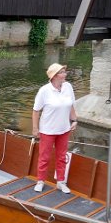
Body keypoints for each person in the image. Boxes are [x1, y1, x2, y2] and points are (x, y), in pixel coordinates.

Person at [32, 63, 77, 194]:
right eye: (62, 72)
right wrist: (35, 129)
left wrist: (74, 120)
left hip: (64, 129)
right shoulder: (44, 91)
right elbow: (35, 111)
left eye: (64, 71)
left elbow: (71, 105)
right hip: (47, 130)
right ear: (55, 76)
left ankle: (61, 182)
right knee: (44, 156)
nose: (65, 74)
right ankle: (40, 181)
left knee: (62, 156)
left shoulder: (68, 87)